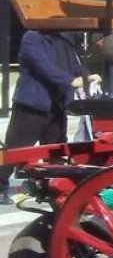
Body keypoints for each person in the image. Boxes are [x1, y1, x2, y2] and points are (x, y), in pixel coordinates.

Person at [0, 30, 97, 203]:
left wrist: (87, 76)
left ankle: (51, 188)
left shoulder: (65, 40)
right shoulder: (32, 37)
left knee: (57, 151)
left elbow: (76, 66)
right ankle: (1, 187)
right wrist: (70, 81)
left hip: (57, 105)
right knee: (14, 151)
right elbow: (43, 66)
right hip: (31, 105)